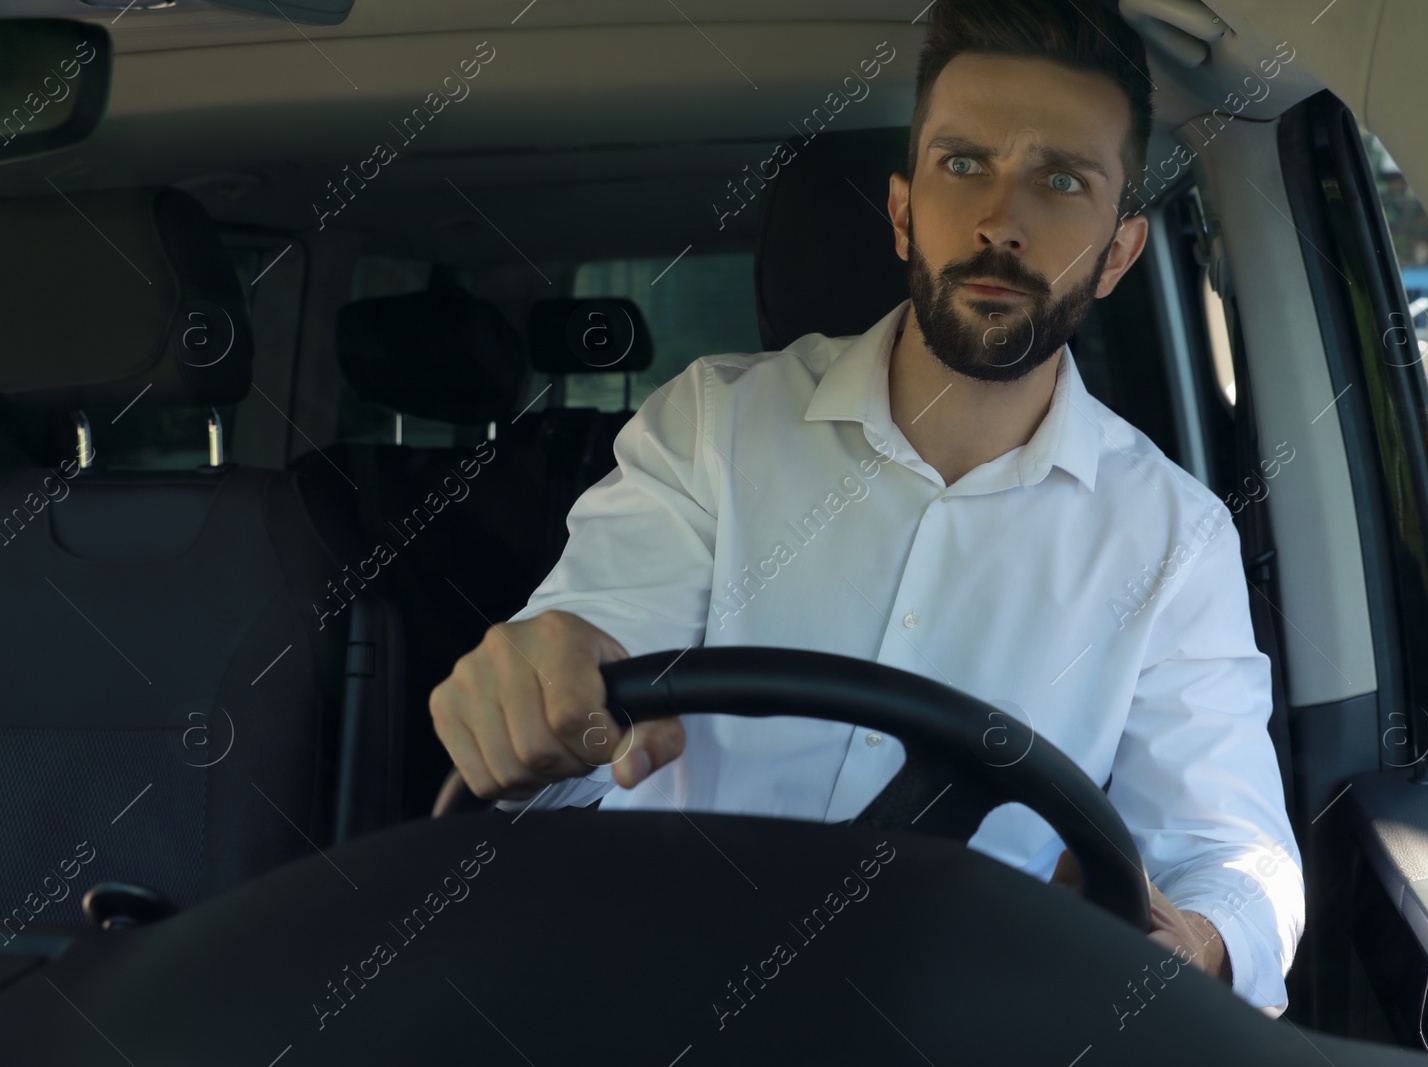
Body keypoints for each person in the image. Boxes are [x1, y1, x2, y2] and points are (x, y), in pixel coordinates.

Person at [429, 0, 1304, 1014]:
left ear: (1116, 253)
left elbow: (1232, 850)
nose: (999, 220)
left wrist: (1194, 938)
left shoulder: (1173, 534)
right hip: (663, 999)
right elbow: (583, 668)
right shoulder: (714, 425)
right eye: (962, 164)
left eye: (1060, 179)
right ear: (900, 214)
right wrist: (535, 691)